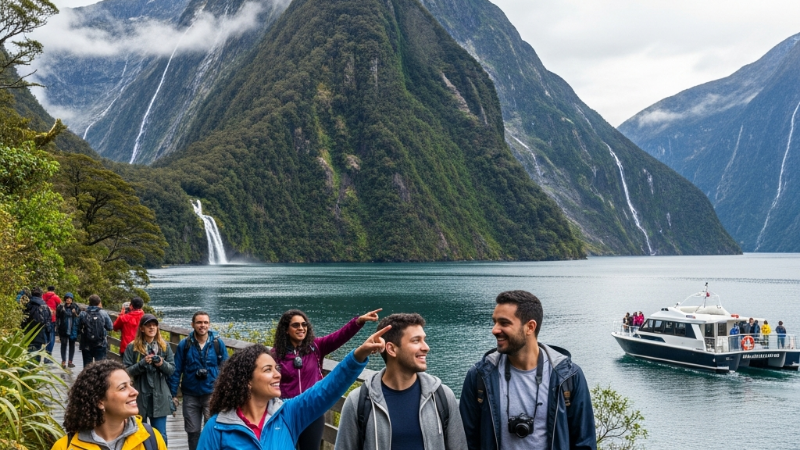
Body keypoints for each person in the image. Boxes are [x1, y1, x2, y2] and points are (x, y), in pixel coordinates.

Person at [197, 326, 390, 450]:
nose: (277, 375)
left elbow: (326, 390)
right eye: (268, 370)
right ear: (247, 380)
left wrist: (359, 355)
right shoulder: (217, 428)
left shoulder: (287, 413)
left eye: (277, 368)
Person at [460, 290, 596, 450]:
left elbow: (584, 443)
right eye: (494, 322)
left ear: (530, 327)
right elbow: (467, 441)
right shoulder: (480, 376)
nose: (495, 330)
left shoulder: (568, 376)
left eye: (504, 323)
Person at [335, 313, 467, 450]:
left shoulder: (442, 396)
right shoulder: (359, 402)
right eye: (416, 341)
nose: (426, 347)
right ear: (391, 349)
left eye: (424, 340)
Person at [271, 308, 381, 450]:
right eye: (296, 325)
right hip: (286, 412)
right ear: (286, 329)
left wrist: (358, 321)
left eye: (304, 324)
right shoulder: (275, 355)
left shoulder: (316, 347)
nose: (301, 328)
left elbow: (339, 336)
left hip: (313, 411)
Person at [51, 359, 167, 450]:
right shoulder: (65, 447)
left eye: (131, 384)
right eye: (123, 388)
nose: (135, 392)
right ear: (99, 401)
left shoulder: (151, 439)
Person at [169, 311, 229, 450]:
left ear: (209, 324)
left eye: (205, 322)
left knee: (212, 430)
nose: (203, 325)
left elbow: (226, 369)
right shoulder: (185, 345)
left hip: (211, 393)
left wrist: (225, 392)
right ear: (193, 324)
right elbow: (176, 370)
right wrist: (173, 394)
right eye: (199, 322)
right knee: (192, 431)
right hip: (190, 395)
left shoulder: (217, 343)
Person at [123, 314, 176, 445]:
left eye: (154, 325)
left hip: (160, 395)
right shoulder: (132, 347)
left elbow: (172, 370)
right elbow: (126, 371)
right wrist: (142, 364)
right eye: (148, 325)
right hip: (139, 394)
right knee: (137, 432)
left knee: (160, 434)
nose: (152, 327)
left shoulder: (164, 346)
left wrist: (161, 363)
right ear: (142, 328)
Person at [75, 294, 114, 364]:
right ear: (99, 303)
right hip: (100, 344)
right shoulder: (103, 313)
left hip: (86, 344)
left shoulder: (83, 313)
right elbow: (110, 327)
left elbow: (77, 327)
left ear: (89, 302)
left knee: (87, 367)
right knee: (100, 367)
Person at [21, 287, 51, 360]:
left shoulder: (28, 305)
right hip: (40, 335)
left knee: (28, 354)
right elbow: (48, 322)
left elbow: (23, 319)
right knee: (37, 354)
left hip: (28, 334)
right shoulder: (45, 306)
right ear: (41, 295)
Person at [56, 293, 80, 368]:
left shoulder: (75, 307)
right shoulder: (61, 307)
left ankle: (70, 361)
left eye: (70, 298)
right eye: (67, 298)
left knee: (72, 345)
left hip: (72, 329)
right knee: (63, 345)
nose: (68, 300)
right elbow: (58, 317)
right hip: (63, 329)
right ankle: (63, 361)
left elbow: (79, 316)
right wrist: (57, 327)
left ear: (72, 299)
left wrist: (75, 312)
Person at [42, 286, 62, 356]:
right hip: (52, 318)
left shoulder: (43, 296)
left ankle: (44, 351)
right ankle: (49, 353)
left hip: (44, 318)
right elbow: (60, 304)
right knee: (52, 335)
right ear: (54, 290)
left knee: (45, 335)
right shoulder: (55, 297)